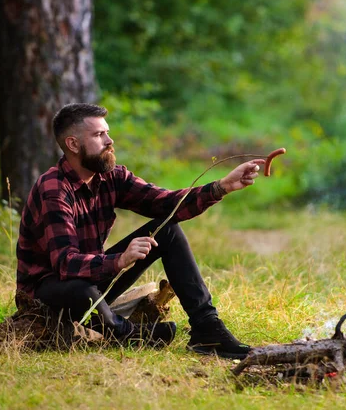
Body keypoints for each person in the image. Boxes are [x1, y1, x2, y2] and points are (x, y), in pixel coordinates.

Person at [16, 103, 266, 359]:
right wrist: (120, 259)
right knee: (81, 290)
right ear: (73, 144)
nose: (109, 141)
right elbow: (66, 264)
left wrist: (221, 186)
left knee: (167, 230)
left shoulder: (110, 176)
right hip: (48, 296)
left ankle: (207, 329)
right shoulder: (53, 189)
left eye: (107, 132)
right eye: (98, 135)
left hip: (91, 281)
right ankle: (130, 332)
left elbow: (168, 204)